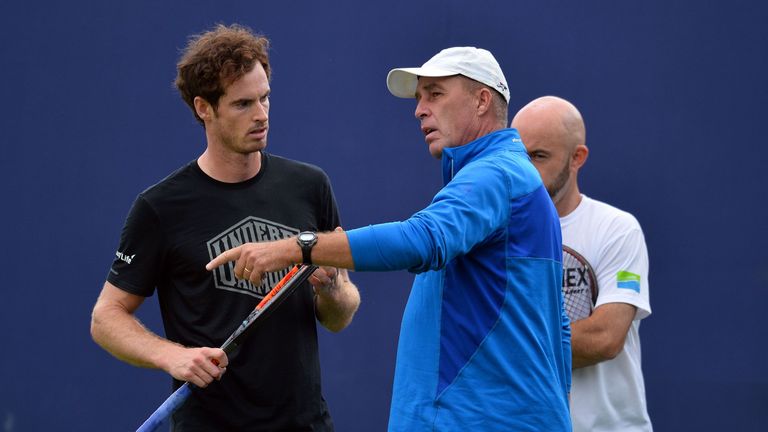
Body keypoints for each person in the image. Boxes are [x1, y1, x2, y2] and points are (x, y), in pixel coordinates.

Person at [207, 47, 572, 431]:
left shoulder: (494, 174)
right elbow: (558, 326)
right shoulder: (511, 177)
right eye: (419, 98)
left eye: (435, 94)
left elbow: (421, 239)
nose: (419, 110)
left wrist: (296, 248)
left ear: (482, 101)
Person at [90, 24, 361, 431]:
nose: (262, 115)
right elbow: (106, 318)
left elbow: (340, 316)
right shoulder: (159, 207)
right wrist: (173, 356)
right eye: (243, 104)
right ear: (204, 108)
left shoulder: (310, 186)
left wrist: (332, 289)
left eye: (265, 98)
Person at [511, 95, 653, 431]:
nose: (526, 171)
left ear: (578, 157)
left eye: (539, 156)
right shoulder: (494, 235)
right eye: (519, 157)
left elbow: (605, 338)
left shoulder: (617, 228)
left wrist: (509, 344)